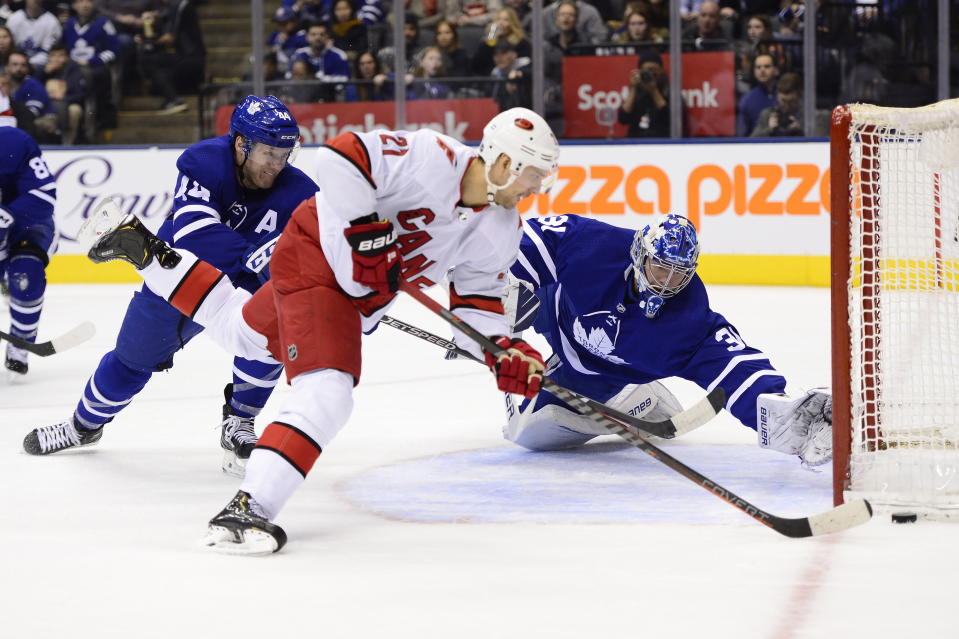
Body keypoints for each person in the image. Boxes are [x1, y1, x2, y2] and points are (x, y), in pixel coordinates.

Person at [72, 106, 560, 555]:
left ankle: (144, 252)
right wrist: (367, 229)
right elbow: (342, 158)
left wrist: (500, 348)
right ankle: (249, 508)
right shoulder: (433, 157)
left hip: (352, 292)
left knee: (242, 334)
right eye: (533, 175)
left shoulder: (501, 228)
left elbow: (477, 303)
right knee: (328, 388)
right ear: (502, 164)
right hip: (317, 253)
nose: (535, 188)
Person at [21, 95, 318, 480]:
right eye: (268, 153)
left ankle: (240, 422)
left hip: (244, 283)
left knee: (272, 335)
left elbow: (321, 245)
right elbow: (195, 233)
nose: (277, 165)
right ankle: (82, 426)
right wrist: (259, 256)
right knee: (131, 360)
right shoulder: (203, 161)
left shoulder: (302, 192)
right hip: (182, 276)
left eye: (284, 154)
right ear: (241, 144)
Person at [501, 213, 832, 468]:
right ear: (640, 253)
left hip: (598, 374)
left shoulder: (687, 321)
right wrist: (498, 286)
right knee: (510, 293)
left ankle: (637, 397)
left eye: (679, 272)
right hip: (556, 312)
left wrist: (777, 415)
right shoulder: (596, 246)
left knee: (533, 433)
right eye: (661, 267)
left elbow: (734, 365)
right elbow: (537, 237)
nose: (668, 281)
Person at [0, 117, 57, 375]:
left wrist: (6, 217)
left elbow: (44, 196)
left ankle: (21, 342)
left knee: (25, 275)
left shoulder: (13, 141)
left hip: (26, 226)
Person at [63, 0, 120, 133]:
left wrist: (93, 61)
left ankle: (99, 120)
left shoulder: (103, 23)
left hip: (96, 66)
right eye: (80, 1)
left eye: (88, 1)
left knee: (96, 78)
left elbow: (115, 50)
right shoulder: (69, 24)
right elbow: (63, 49)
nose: (85, 4)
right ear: (73, 5)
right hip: (72, 67)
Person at [288, 21, 349, 101]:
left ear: (327, 36)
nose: (317, 38)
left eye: (322, 34)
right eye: (313, 34)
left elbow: (343, 80)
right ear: (307, 37)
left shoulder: (338, 55)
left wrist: (321, 80)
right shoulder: (299, 54)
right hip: (302, 98)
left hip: (331, 98)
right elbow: (288, 76)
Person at [617, 48, 669, 138]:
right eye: (647, 70)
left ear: (661, 71)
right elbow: (623, 118)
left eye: (654, 70)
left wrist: (654, 90)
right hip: (635, 141)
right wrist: (633, 88)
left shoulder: (668, 91)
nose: (651, 74)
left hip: (661, 141)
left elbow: (669, 117)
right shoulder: (637, 93)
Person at [4, 0, 62, 73]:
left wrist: (27, 63)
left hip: (39, 65)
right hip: (15, 62)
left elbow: (47, 52)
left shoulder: (52, 22)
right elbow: (9, 47)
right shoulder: (14, 19)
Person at [736, 52, 778, 137]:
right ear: (754, 72)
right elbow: (742, 135)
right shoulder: (747, 100)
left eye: (767, 66)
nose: (762, 70)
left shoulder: (786, 95)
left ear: (776, 70)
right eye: (758, 67)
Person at [751, 71, 802, 137]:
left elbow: (818, 142)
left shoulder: (811, 117)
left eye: (791, 101)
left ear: (799, 96)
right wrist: (769, 130)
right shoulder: (767, 115)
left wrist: (800, 131)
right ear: (777, 96)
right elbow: (751, 142)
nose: (786, 106)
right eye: (783, 101)